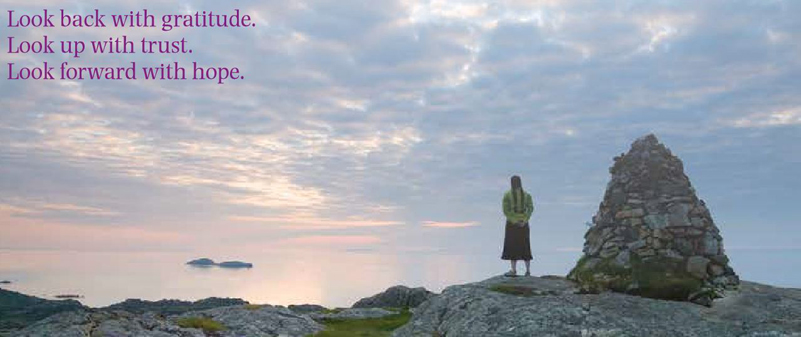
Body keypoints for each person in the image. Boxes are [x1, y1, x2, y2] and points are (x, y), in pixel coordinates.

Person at [501, 175, 534, 277]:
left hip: (512, 224)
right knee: (525, 245)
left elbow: (506, 210)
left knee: (512, 246)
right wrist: (524, 220)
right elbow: (530, 208)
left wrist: (514, 220)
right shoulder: (527, 195)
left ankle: (513, 270)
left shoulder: (507, 195)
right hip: (523, 223)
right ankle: (528, 271)